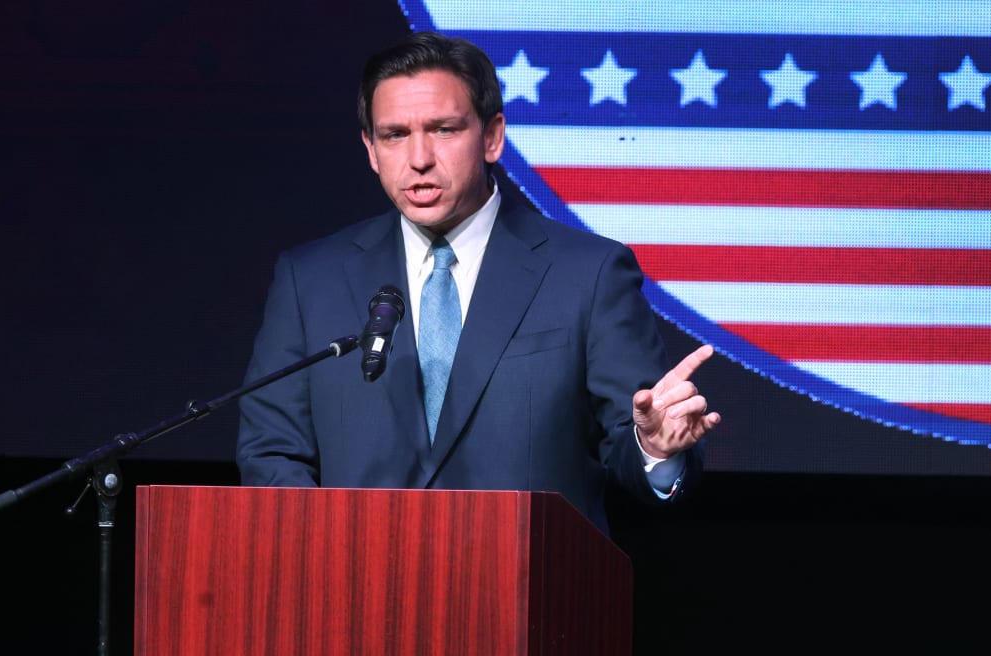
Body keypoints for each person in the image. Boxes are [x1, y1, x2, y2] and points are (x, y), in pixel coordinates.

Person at [236, 31, 721, 533]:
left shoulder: (588, 274)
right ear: (371, 149)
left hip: (525, 589)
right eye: (395, 134)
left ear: (491, 137)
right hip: (350, 591)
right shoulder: (310, 279)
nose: (418, 158)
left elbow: (630, 444)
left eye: (443, 130)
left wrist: (653, 449)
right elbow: (272, 450)